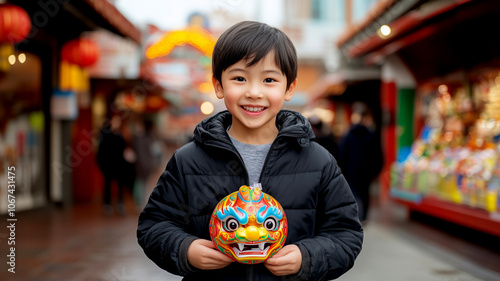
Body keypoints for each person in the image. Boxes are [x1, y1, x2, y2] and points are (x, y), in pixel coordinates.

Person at [137, 21, 363, 281]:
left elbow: (347, 235)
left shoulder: (318, 161)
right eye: (240, 78)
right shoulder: (188, 161)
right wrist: (185, 250)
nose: (254, 92)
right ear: (218, 85)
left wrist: (306, 256)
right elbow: (153, 226)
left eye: (269, 80)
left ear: (289, 87)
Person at [338, 102, 383, 222]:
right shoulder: (371, 136)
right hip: (367, 171)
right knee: (365, 194)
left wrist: (343, 169)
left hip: (351, 170)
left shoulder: (349, 135)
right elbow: (378, 156)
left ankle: (355, 215)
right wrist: (375, 171)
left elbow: (342, 154)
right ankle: (364, 216)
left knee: (353, 192)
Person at [97, 114, 128, 216]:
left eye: (118, 121)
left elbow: (124, 147)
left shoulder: (121, 134)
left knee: (120, 185)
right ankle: (107, 204)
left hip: (119, 164)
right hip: (108, 164)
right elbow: (102, 149)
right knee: (107, 184)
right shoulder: (106, 133)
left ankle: (120, 203)